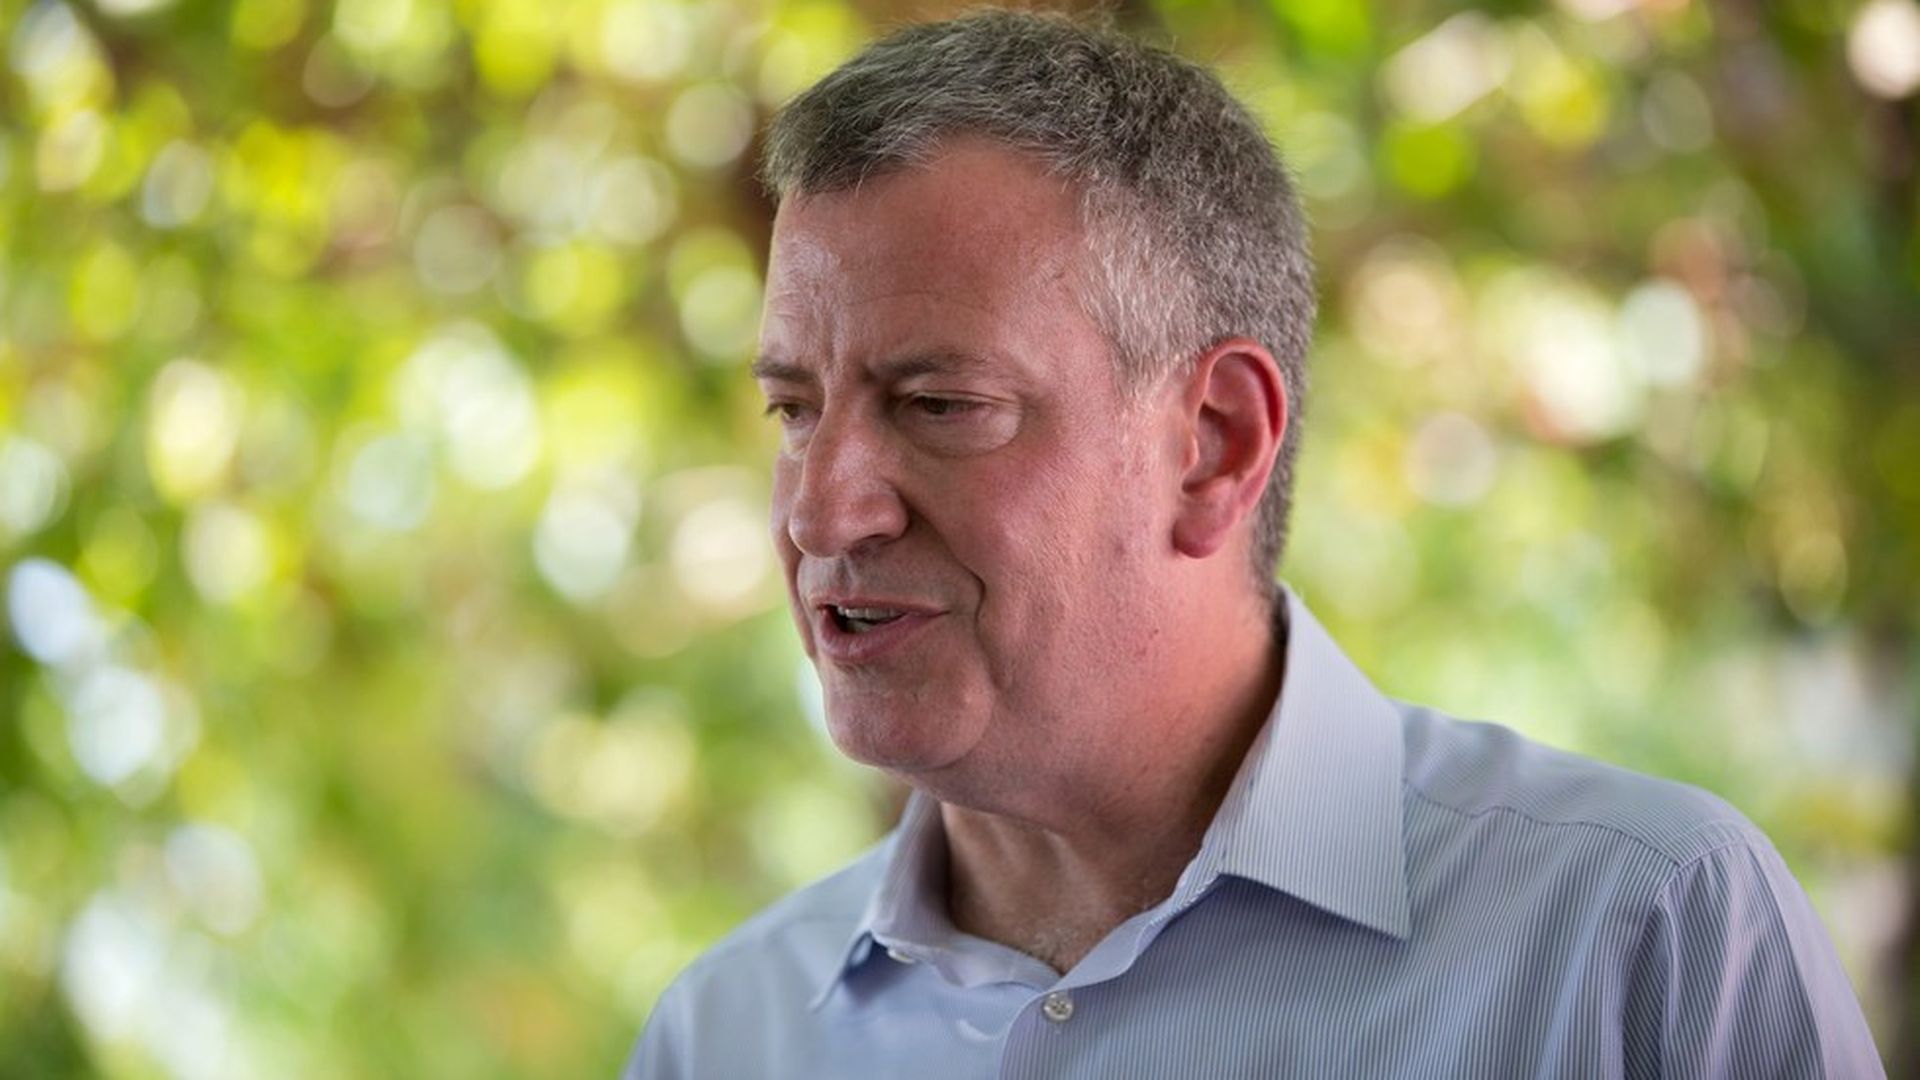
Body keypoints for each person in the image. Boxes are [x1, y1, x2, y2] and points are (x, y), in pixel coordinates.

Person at [626, 10, 1883, 1077]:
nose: (821, 513)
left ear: (1215, 445)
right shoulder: (723, 1036)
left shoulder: (1640, 938)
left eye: (941, 405)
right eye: (794, 411)